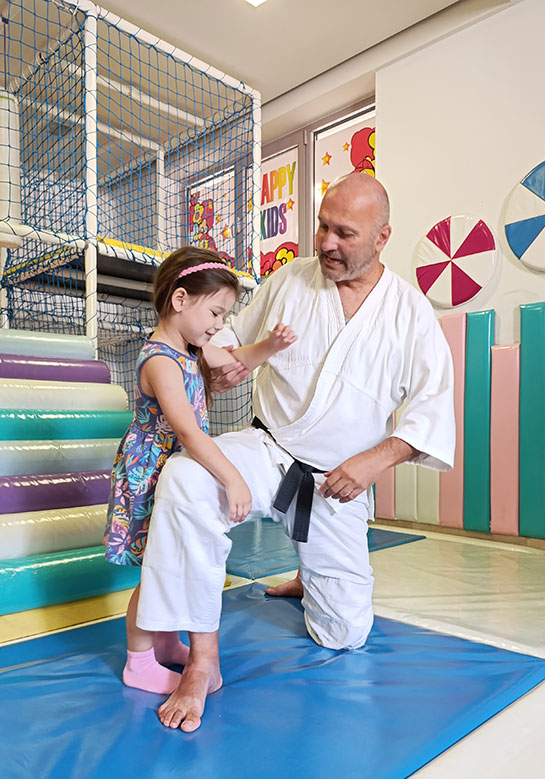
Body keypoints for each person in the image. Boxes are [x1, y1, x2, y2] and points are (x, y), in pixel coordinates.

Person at [139, 173, 456, 732]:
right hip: (268, 447)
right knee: (186, 478)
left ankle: (312, 577)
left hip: (337, 479)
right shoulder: (289, 280)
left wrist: (373, 460)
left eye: (345, 233)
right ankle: (203, 658)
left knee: (345, 633)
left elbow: (431, 411)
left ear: (382, 237)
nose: (327, 243)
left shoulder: (410, 313)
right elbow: (227, 340)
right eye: (323, 227)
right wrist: (221, 363)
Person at [104, 246, 296, 695]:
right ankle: (138, 662)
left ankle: (166, 642)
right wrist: (232, 477)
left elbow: (233, 359)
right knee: (157, 569)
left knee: (172, 560)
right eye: (214, 312)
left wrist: (271, 346)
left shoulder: (192, 347)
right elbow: (188, 432)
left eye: (223, 314)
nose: (218, 324)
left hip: (173, 466)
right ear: (180, 299)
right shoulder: (160, 360)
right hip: (150, 473)